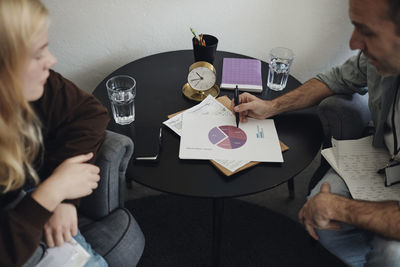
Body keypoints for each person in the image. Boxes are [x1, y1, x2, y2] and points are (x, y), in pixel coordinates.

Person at [231, 0, 400, 266]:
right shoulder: (379, 59)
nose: (353, 43)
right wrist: (272, 106)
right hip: (382, 157)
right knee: (319, 216)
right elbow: (335, 79)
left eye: (366, 31)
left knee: (391, 254)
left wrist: (341, 208)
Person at [0, 0, 110, 266]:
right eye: (38, 54)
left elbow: (89, 113)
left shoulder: (37, 90)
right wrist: (51, 193)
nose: (52, 60)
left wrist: (64, 199)